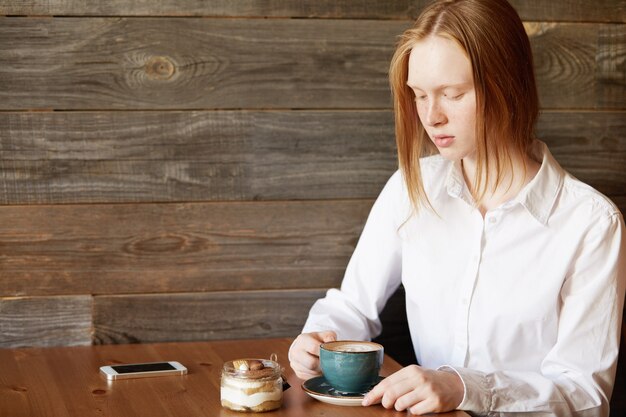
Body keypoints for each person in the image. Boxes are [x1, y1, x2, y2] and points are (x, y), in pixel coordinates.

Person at [288, 0, 626, 415]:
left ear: (508, 84)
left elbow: (586, 396)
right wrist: (318, 339)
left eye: (454, 94)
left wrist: (465, 388)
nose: (432, 117)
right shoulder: (410, 189)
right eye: (419, 95)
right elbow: (352, 307)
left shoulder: (591, 223)